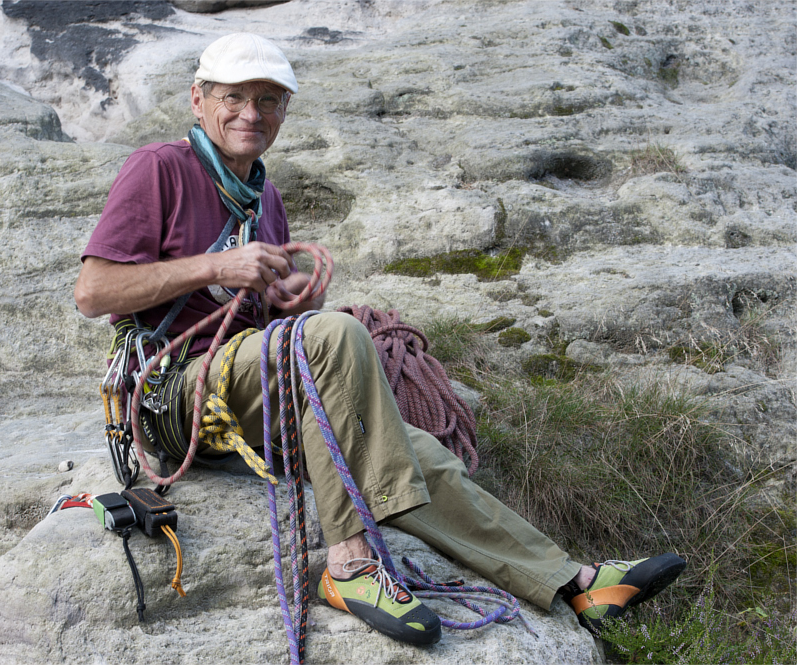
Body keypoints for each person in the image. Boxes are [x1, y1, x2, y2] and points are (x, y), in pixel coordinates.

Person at [74, 32, 685, 645]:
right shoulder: (160, 169)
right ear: (198, 100)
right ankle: (351, 563)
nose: (250, 115)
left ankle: (573, 583)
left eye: (268, 100)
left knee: (412, 447)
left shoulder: (265, 198)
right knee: (333, 338)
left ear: (284, 110)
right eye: (234, 97)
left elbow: (266, 335)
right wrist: (214, 268)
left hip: (245, 394)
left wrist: (294, 303)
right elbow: (93, 292)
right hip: (172, 394)